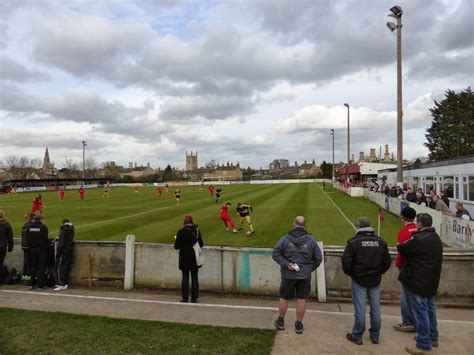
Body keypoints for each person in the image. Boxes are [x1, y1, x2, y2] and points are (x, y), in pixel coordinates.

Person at [342, 217, 391, 346]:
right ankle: (375, 335)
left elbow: (346, 263)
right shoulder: (381, 241)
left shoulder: (354, 241)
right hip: (375, 279)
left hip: (359, 280)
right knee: (375, 308)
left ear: (359, 226)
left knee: (360, 309)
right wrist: (379, 272)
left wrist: (352, 274)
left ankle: (357, 335)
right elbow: (387, 262)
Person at [398, 213, 443, 354]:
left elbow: (402, 248)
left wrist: (400, 244)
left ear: (419, 224)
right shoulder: (436, 237)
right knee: (430, 309)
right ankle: (433, 337)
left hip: (418, 281)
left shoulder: (419, 238)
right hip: (431, 280)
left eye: (417, 222)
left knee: (421, 312)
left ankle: (423, 344)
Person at [272, 216, 322, 334]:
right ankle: (298, 324)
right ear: (304, 225)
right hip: (304, 275)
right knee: (301, 298)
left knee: (284, 297)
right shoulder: (311, 240)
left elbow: (276, 254)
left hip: (288, 274)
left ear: (293, 224)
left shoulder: (285, 239)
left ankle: (281, 321)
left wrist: (286, 264)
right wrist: (308, 269)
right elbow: (318, 258)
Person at [393, 207, 418, 333]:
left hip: (406, 267)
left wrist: (398, 265)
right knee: (415, 296)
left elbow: (401, 252)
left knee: (406, 296)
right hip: (418, 267)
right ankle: (416, 321)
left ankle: (407, 322)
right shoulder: (418, 229)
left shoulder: (403, 231)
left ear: (402, 217)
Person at [174, 214, 204, 303]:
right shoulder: (197, 230)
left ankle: (185, 298)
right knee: (195, 277)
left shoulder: (181, 232)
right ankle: (194, 298)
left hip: (184, 256)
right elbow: (201, 244)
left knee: (185, 277)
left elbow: (176, 246)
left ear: (184, 222)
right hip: (195, 256)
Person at [25, 214, 49, 291]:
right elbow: (46, 239)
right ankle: (40, 285)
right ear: (41, 219)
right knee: (41, 267)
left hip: (32, 249)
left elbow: (27, 239)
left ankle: (31, 284)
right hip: (41, 249)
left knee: (33, 267)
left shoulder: (29, 227)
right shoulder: (43, 227)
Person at [54, 219, 75, 291]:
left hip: (63, 251)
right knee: (66, 267)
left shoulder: (63, 231)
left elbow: (61, 244)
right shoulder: (71, 229)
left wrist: (58, 254)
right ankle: (65, 283)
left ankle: (61, 284)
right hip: (69, 250)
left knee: (60, 267)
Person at [0, 210, 14, 283]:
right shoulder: (6, 224)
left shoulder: (6, 224)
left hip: (2, 246)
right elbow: (10, 238)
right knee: (1, 263)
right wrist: (10, 247)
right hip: (2, 247)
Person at [21, 212, 35, 281]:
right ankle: (30, 279)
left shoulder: (25, 225)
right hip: (30, 247)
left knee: (26, 262)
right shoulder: (32, 226)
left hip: (24, 246)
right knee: (30, 263)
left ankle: (24, 278)